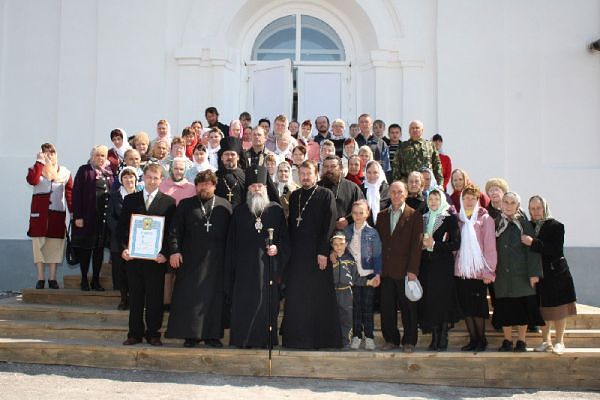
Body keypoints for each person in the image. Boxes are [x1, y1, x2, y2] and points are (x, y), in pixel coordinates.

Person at [225, 166, 290, 348]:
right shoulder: (239, 211)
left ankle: (264, 341)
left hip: (267, 269)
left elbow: (285, 239)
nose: (256, 189)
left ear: (266, 188)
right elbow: (232, 243)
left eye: (259, 186)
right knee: (243, 304)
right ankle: (242, 340)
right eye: (253, 186)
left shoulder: (276, 211)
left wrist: (276, 248)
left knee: (265, 305)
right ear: (248, 190)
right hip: (244, 270)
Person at [166, 170, 232, 348]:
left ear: (214, 186)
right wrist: (174, 251)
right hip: (190, 260)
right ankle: (191, 335)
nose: (204, 187)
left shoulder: (224, 206)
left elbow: (232, 235)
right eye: (201, 184)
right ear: (196, 186)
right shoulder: (186, 205)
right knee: (191, 298)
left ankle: (212, 336)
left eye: (208, 184)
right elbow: (174, 230)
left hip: (217, 261)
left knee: (214, 300)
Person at [282, 160, 342, 349]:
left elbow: (329, 224)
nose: (305, 177)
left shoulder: (326, 195)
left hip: (317, 255)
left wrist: (323, 251)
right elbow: (292, 224)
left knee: (317, 297)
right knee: (298, 297)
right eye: (303, 174)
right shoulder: (295, 196)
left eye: (309, 173)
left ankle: (320, 339)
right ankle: (296, 339)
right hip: (297, 256)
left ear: (316, 174)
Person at [119, 164, 176, 346]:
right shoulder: (130, 200)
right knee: (135, 297)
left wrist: (166, 254)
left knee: (155, 299)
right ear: (143, 178)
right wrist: (124, 248)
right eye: (149, 177)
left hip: (155, 260)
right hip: (134, 259)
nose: (152, 181)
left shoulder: (169, 202)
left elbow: (170, 232)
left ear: (161, 180)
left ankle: (153, 333)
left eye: (155, 178)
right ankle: (134, 333)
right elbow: (121, 229)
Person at [522, 196, 577, 355]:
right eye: (532, 208)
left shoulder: (556, 226)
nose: (535, 211)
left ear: (544, 208)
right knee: (543, 309)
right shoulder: (529, 226)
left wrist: (533, 243)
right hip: (539, 274)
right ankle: (546, 341)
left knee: (558, 310)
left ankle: (559, 342)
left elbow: (555, 250)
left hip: (556, 273)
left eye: (538, 208)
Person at [493, 192, 544, 352]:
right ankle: (507, 340)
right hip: (501, 275)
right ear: (501, 204)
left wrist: (534, 273)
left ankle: (521, 341)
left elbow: (533, 251)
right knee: (505, 309)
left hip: (521, 275)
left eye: (512, 202)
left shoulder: (524, 224)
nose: (508, 205)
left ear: (517, 205)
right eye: (506, 202)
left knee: (523, 310)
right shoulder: (495, 223)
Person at [375, 181, 423, 353]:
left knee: (408, 308)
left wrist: (412, 271)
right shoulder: (381, 216)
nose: (396, 195)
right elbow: (378, 245)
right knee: (387, 308)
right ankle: (391, 339)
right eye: (393, 192)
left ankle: (409, 341)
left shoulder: (414, 215)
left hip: (405, 271)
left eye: (399, 192)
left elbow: (416, 246)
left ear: (406, 194)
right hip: (386, 270)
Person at [454, 183, 497, 352]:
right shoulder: (459, 220)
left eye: (473, 198)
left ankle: (481, 339)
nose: (469, 201)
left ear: (478, 200)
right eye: (466, 198)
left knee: (478, 309)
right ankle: (473, 339)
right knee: (467, 309)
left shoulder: (485, 219)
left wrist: (489, 271)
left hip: (479, 272)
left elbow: (490, 247)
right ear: (461, 200)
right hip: (462, 271)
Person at [418, 187, 460, 351]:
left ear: (442, 200)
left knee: (441, 300)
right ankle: (434, 336)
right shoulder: (424, 218)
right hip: (427, 264)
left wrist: (435, 244)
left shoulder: (449, 218)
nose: (433, 202)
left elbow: (456, 243)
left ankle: (442, 336)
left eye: (436, 199)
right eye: (431, 199)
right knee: (430, 300)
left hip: (442, 265)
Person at [26, 143, 73, 289]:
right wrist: (39, 162)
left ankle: (52, 279)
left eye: (51, 153)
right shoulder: (36, 170)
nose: (49, 155)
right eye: (45, 153)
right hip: (39, 217)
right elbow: (32, 180)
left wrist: (73, 213)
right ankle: (40, 279)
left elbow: (70, 194)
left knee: (54, 247)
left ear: (56, 154)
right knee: (39, 247)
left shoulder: (65, 172)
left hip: (56, 216)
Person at [72, 145, 114, 291]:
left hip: (103, 220)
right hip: (87, 218)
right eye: (97, 155)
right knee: (86, 249)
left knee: (99, 250)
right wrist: (77, 216)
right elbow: (76, 193)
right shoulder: (84, 170)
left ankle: (96, 280)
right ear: (92, 156)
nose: (100, 158)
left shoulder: (108, 172)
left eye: (103, 155)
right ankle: (84, 279)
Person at [344, 200, 382, 351]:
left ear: (367, 213)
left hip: (368, 275)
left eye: (361, 213)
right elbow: (340, 249)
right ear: (351, 214)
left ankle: (369, 336)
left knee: (367, 307)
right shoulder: (347, 231)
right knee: (355, 307)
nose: (358, 216)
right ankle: (356, 336)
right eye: (355, 213)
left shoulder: (372, 232)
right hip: (352, 275)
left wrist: (378, 274)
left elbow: (378, 255)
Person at [107, 167, 139, 310]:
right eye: (125, 177)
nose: (129, 180)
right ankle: (123, 298)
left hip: (136, 239)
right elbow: (109, 218)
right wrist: (121, 231)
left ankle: (134, 298)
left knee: (134, 272)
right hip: (118, 240)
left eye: (131, 177)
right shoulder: (114, 196)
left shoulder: (141, 196)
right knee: (120, 271)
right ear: (121, 180)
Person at [318, 155, 364, 230]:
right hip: (321, 232)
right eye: (326, 166)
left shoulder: (352, 188)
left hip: (345, 234)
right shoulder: (316, 187)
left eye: (333, 166)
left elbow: (362, 208)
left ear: (340, 168)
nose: (329, 169)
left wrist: (347, 220)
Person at [392, 120, 443, 184]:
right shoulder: (402, 146)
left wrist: (440, 183)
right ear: (409, 131)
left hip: (426, 183)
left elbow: (437, 164)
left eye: (417, 128)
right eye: (412, 128)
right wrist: (397, 182)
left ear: (422, 130)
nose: (415, 130)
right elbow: (396, 165)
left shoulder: (429, 145)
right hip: (408, 183)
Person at [330, 231, 357, 348]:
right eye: (335, 244)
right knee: (333, 316)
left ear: (346, 244)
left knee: (346, 316)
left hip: (346, 292)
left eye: (341, 244)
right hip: (333, 291)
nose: (338, 247)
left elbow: (355, 277)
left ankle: (346, 340)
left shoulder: (350, 260)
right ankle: (333, 340)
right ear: (332, 245)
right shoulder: (329, 259)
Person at [361, 160, 389, 226]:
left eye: (375, 172)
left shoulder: (386, 189)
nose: (372, 175)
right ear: (365, 173)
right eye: (369, 172)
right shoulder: (360, 188)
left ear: (380, 173)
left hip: (384, 226)